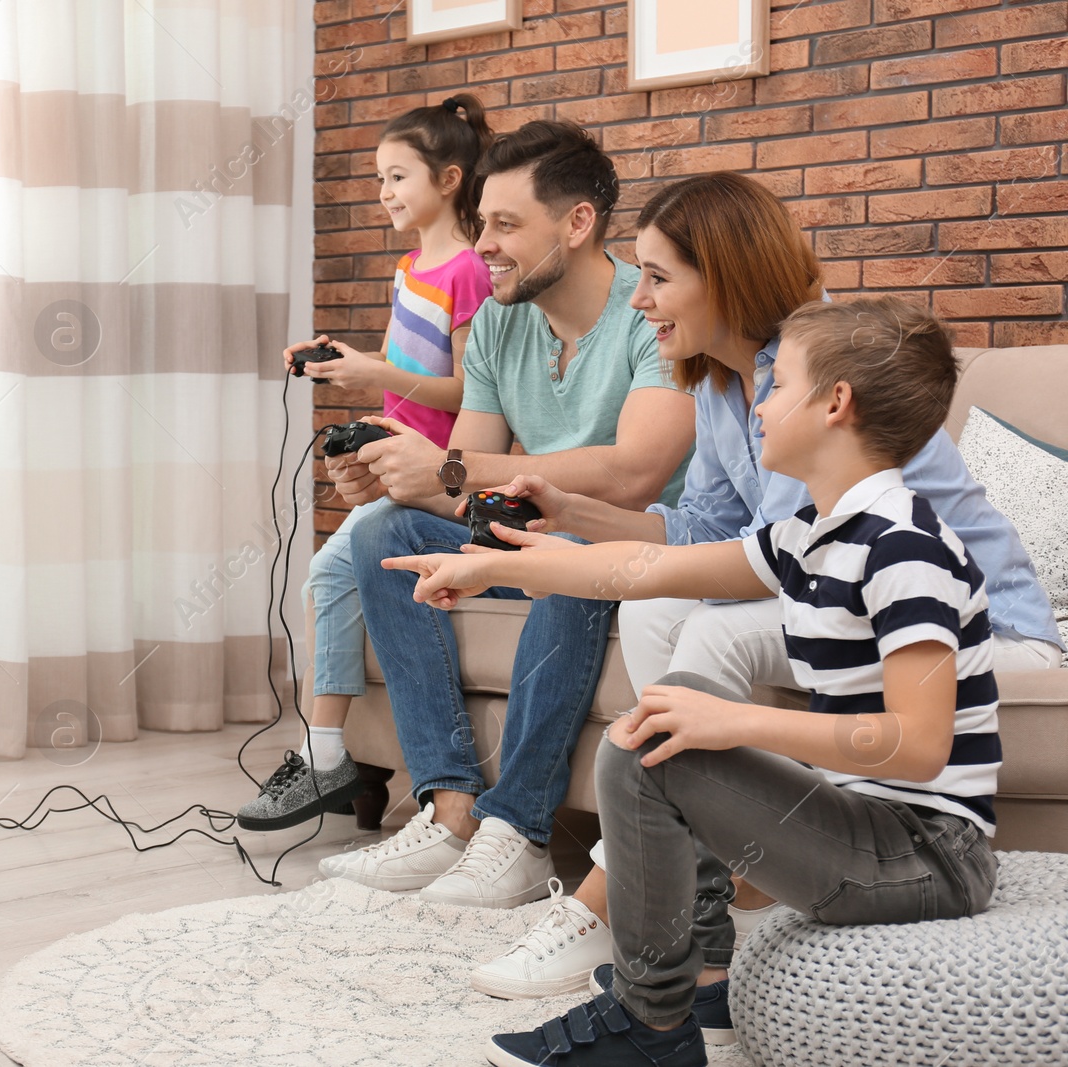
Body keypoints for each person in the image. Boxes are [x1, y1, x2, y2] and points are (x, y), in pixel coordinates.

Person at [451, 173, 1062, 1035]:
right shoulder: (768, 451)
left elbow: (902, 727)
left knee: (702, 649)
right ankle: (683, 964)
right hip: (863, 735)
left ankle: (618, 925)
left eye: (659, 278)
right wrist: (538, 541)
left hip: (962, 727)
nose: (643, 302)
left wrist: (730, 723)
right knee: (658, 688)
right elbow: (686, 545)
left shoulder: (879, 510)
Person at [387, 296, 1006, 1066]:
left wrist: (736, 724)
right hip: (868, 825)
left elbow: (918, 745)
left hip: (929, 855)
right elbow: (641, 568)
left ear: (836, 404)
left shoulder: (906, 549)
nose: (762, 404)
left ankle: (650, 1026)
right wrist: (492, 567)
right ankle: (698, 985)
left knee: (654, 745)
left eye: (780, 387)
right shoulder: (812, 536)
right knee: (654, 738)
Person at [318, 121, 696, 906]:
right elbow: (465, 481)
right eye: (481, 222)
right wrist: (390, 476)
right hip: (533, 529)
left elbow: (634, 473)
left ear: (578, 223)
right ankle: (449, 806)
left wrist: (453, 468)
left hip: (626, 540)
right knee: (386, 533)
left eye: (505, 225)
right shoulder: (498, 318)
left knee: (556, 539)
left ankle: (519, 832)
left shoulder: (653, 313)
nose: (482, 243)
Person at [236, 95, 495, 830]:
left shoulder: (469, 272)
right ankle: (334, 758)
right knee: (335, 575)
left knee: (326, 572)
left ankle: (325, 758)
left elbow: (471, 389)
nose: (383, 194)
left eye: (397, 178)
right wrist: (350, 364)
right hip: (392, 454)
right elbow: (404, 365)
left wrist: (376, 376)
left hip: (437, 467)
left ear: (449, 179)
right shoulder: (412, 266)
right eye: (378, 180)